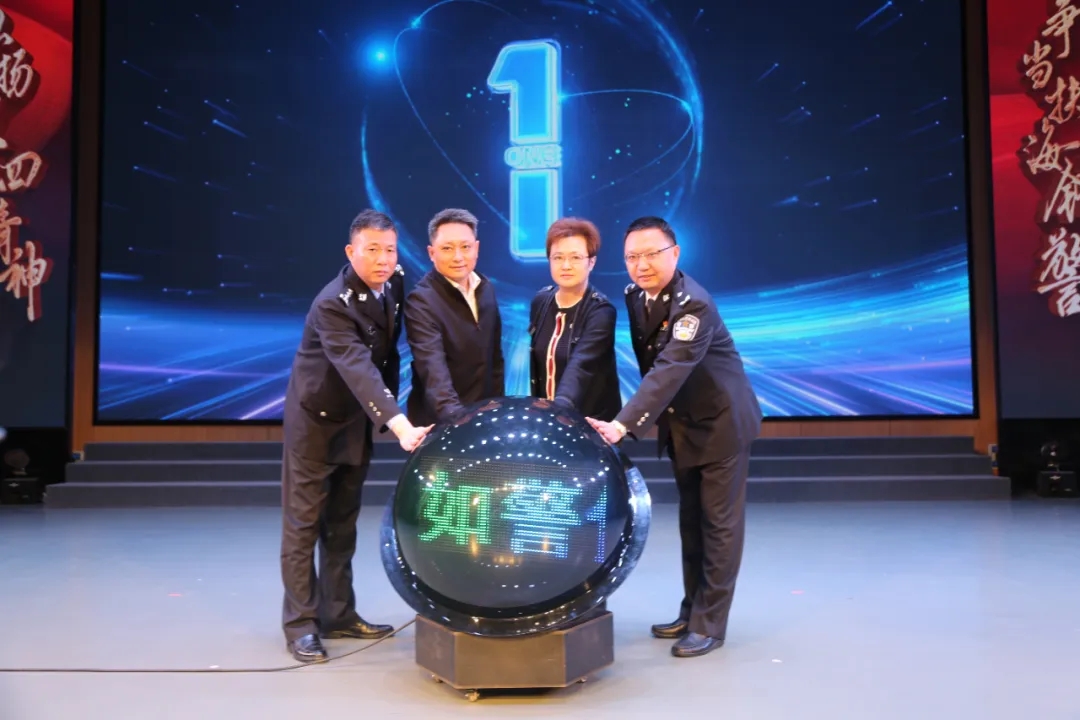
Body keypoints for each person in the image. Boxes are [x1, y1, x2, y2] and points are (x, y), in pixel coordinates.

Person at [587, 216, 762, 659]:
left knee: (719, 527)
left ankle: (710, 625)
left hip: (721, 424)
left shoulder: (693, 305)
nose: (641, 265)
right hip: (683, 424)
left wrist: (623, 424)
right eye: (632, 257)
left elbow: (669, 369)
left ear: (676, 253)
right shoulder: (635, 295)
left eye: (652, 254)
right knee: (692, 524)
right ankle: (691, 611)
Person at [280, 209, 433, 663]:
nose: (383, 259)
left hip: (355, 421)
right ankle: (300, 626)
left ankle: (338, 614)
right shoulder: (332, 303)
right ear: (351, 252)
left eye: (390, 250)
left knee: (342, 523)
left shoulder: (395, 282)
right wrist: (399, 422)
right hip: (316, 423)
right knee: (303, 527)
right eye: (372, 250)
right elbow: (357, 367)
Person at [404, 208, 505, 426]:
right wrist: (458, 420)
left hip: (483, 418)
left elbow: (495, 360)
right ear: (432, 253)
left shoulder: (486, 288)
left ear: (476, 248)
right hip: (441, 423)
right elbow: (433, 371)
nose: (458, 257)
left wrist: (496, 409)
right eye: (447, 248)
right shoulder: (421, 301)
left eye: (465, 247)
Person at [529, 217, 621, 421]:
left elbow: (581, 365)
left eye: (575, 257)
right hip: (546, 420)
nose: (566, 265)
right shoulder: (540, 302)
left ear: (591, 262)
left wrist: (560, 409)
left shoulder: (601, 311)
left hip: (589, 422)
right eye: (558, 257)